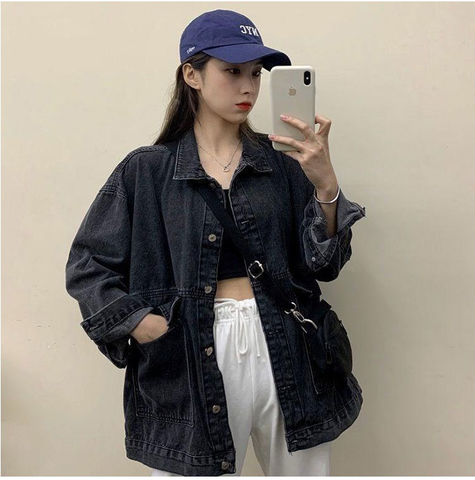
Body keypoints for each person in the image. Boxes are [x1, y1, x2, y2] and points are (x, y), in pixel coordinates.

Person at [65, 8, 366, 477]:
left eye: (255, 73)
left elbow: (323, 265)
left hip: (285, 346)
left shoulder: (282, 165)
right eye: (232, 71)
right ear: (192, 75)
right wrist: (139, 322)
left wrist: (326, 185)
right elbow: (88, 264)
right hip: (189, 352)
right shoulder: (148, 171)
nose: (248, 87)